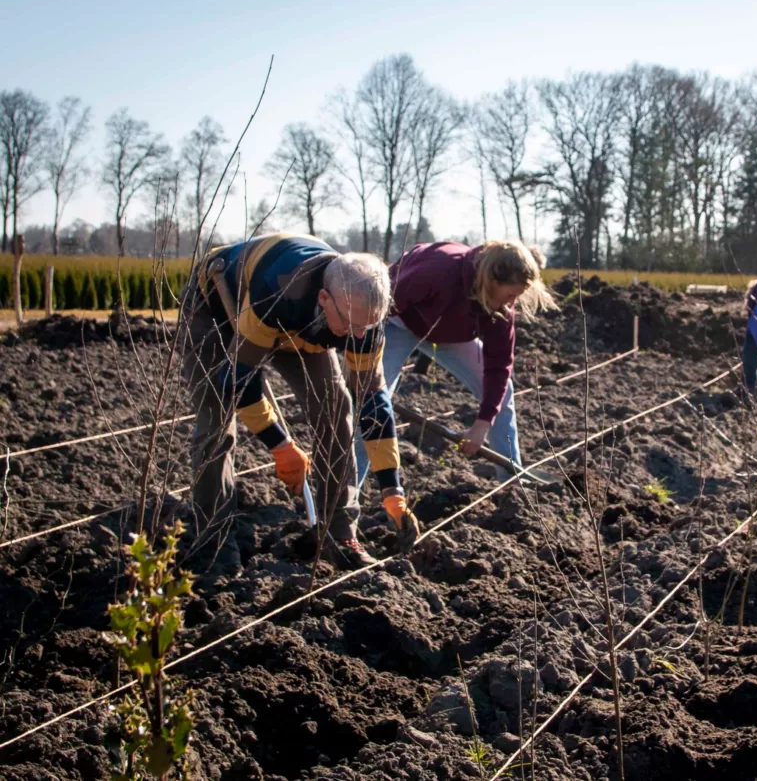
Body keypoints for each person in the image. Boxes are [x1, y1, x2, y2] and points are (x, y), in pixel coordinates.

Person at [180, 233, 416, 572]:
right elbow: (237, 381)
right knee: (216, 423)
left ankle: (339, 534)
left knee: (336, 408)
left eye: (368, 326)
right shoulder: (276, 293)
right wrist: (280, 445)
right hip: (216, 305)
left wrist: (392, 489)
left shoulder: (362, 319)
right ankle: (213, 545)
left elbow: (372, 401)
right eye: (351, 325)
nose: (358, 337)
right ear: (324, 297)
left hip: (304, 324)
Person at [354, 239, 555, 487]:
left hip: (449, 333)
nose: (511, 303)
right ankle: (346, 494)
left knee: (503, 394)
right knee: (372, 403)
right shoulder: (438, 271)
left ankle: (511, 482)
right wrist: (360, 358)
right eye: (511, 294)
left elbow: (499, 366)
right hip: (398, 320)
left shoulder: (500, 308)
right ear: (493, 280)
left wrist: (482, 424)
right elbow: (379, 307)